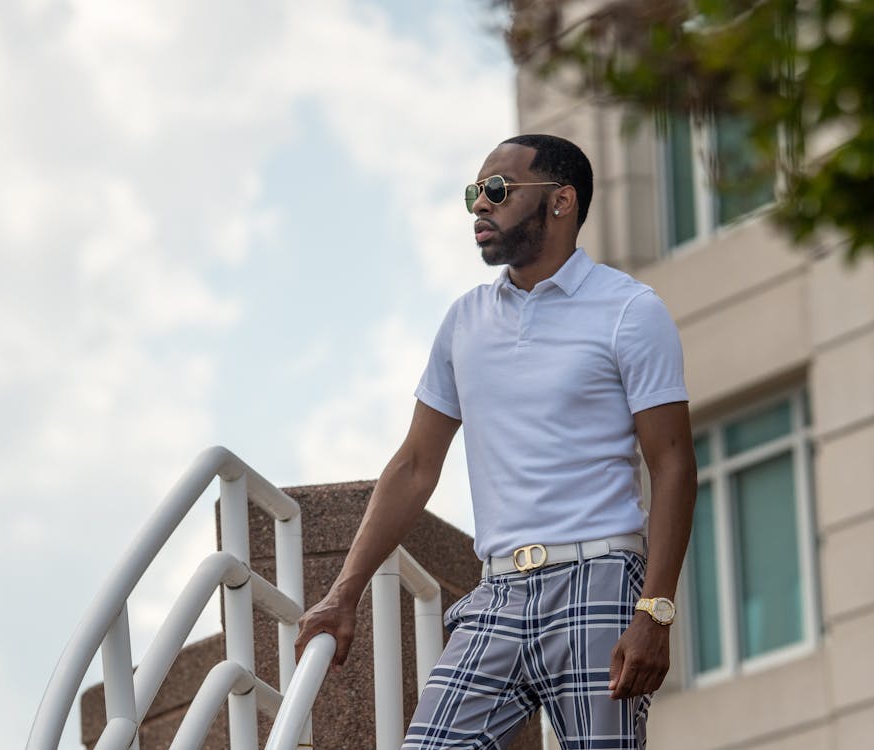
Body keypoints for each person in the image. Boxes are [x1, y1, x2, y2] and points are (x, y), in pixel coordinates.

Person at [295, 134, 697, 749]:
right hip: (498, 593)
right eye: (474, 194)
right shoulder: (465, 321)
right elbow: (413, 466)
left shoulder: (630, 311)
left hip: (600, 581)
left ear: (561, 202)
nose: (480, 206)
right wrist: (342, 592)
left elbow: (672, 464)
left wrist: (655, 612)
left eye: (498, 191)